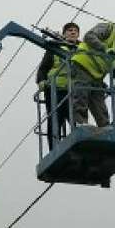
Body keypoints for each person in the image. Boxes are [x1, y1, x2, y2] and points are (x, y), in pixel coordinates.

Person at [69, 21, 115, 127]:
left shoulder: (114, 53)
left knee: (100, 105)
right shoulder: (108, 28)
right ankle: (80, 123)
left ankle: (105, 127)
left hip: (96, 78)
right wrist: (105, 49)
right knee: (81, 96)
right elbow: (89, 36)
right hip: (83, 66)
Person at [36, 22, 79, 150]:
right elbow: (43, 68)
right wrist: (41, 81)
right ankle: (54, 148)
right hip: (54, 90)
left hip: (72, 90)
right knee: (55, 120)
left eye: (75, 31)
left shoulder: (81, 50)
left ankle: (76, 145)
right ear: (64, 34)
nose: (73, 32)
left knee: (75, 119)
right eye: (70, 30)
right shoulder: (55, 48)